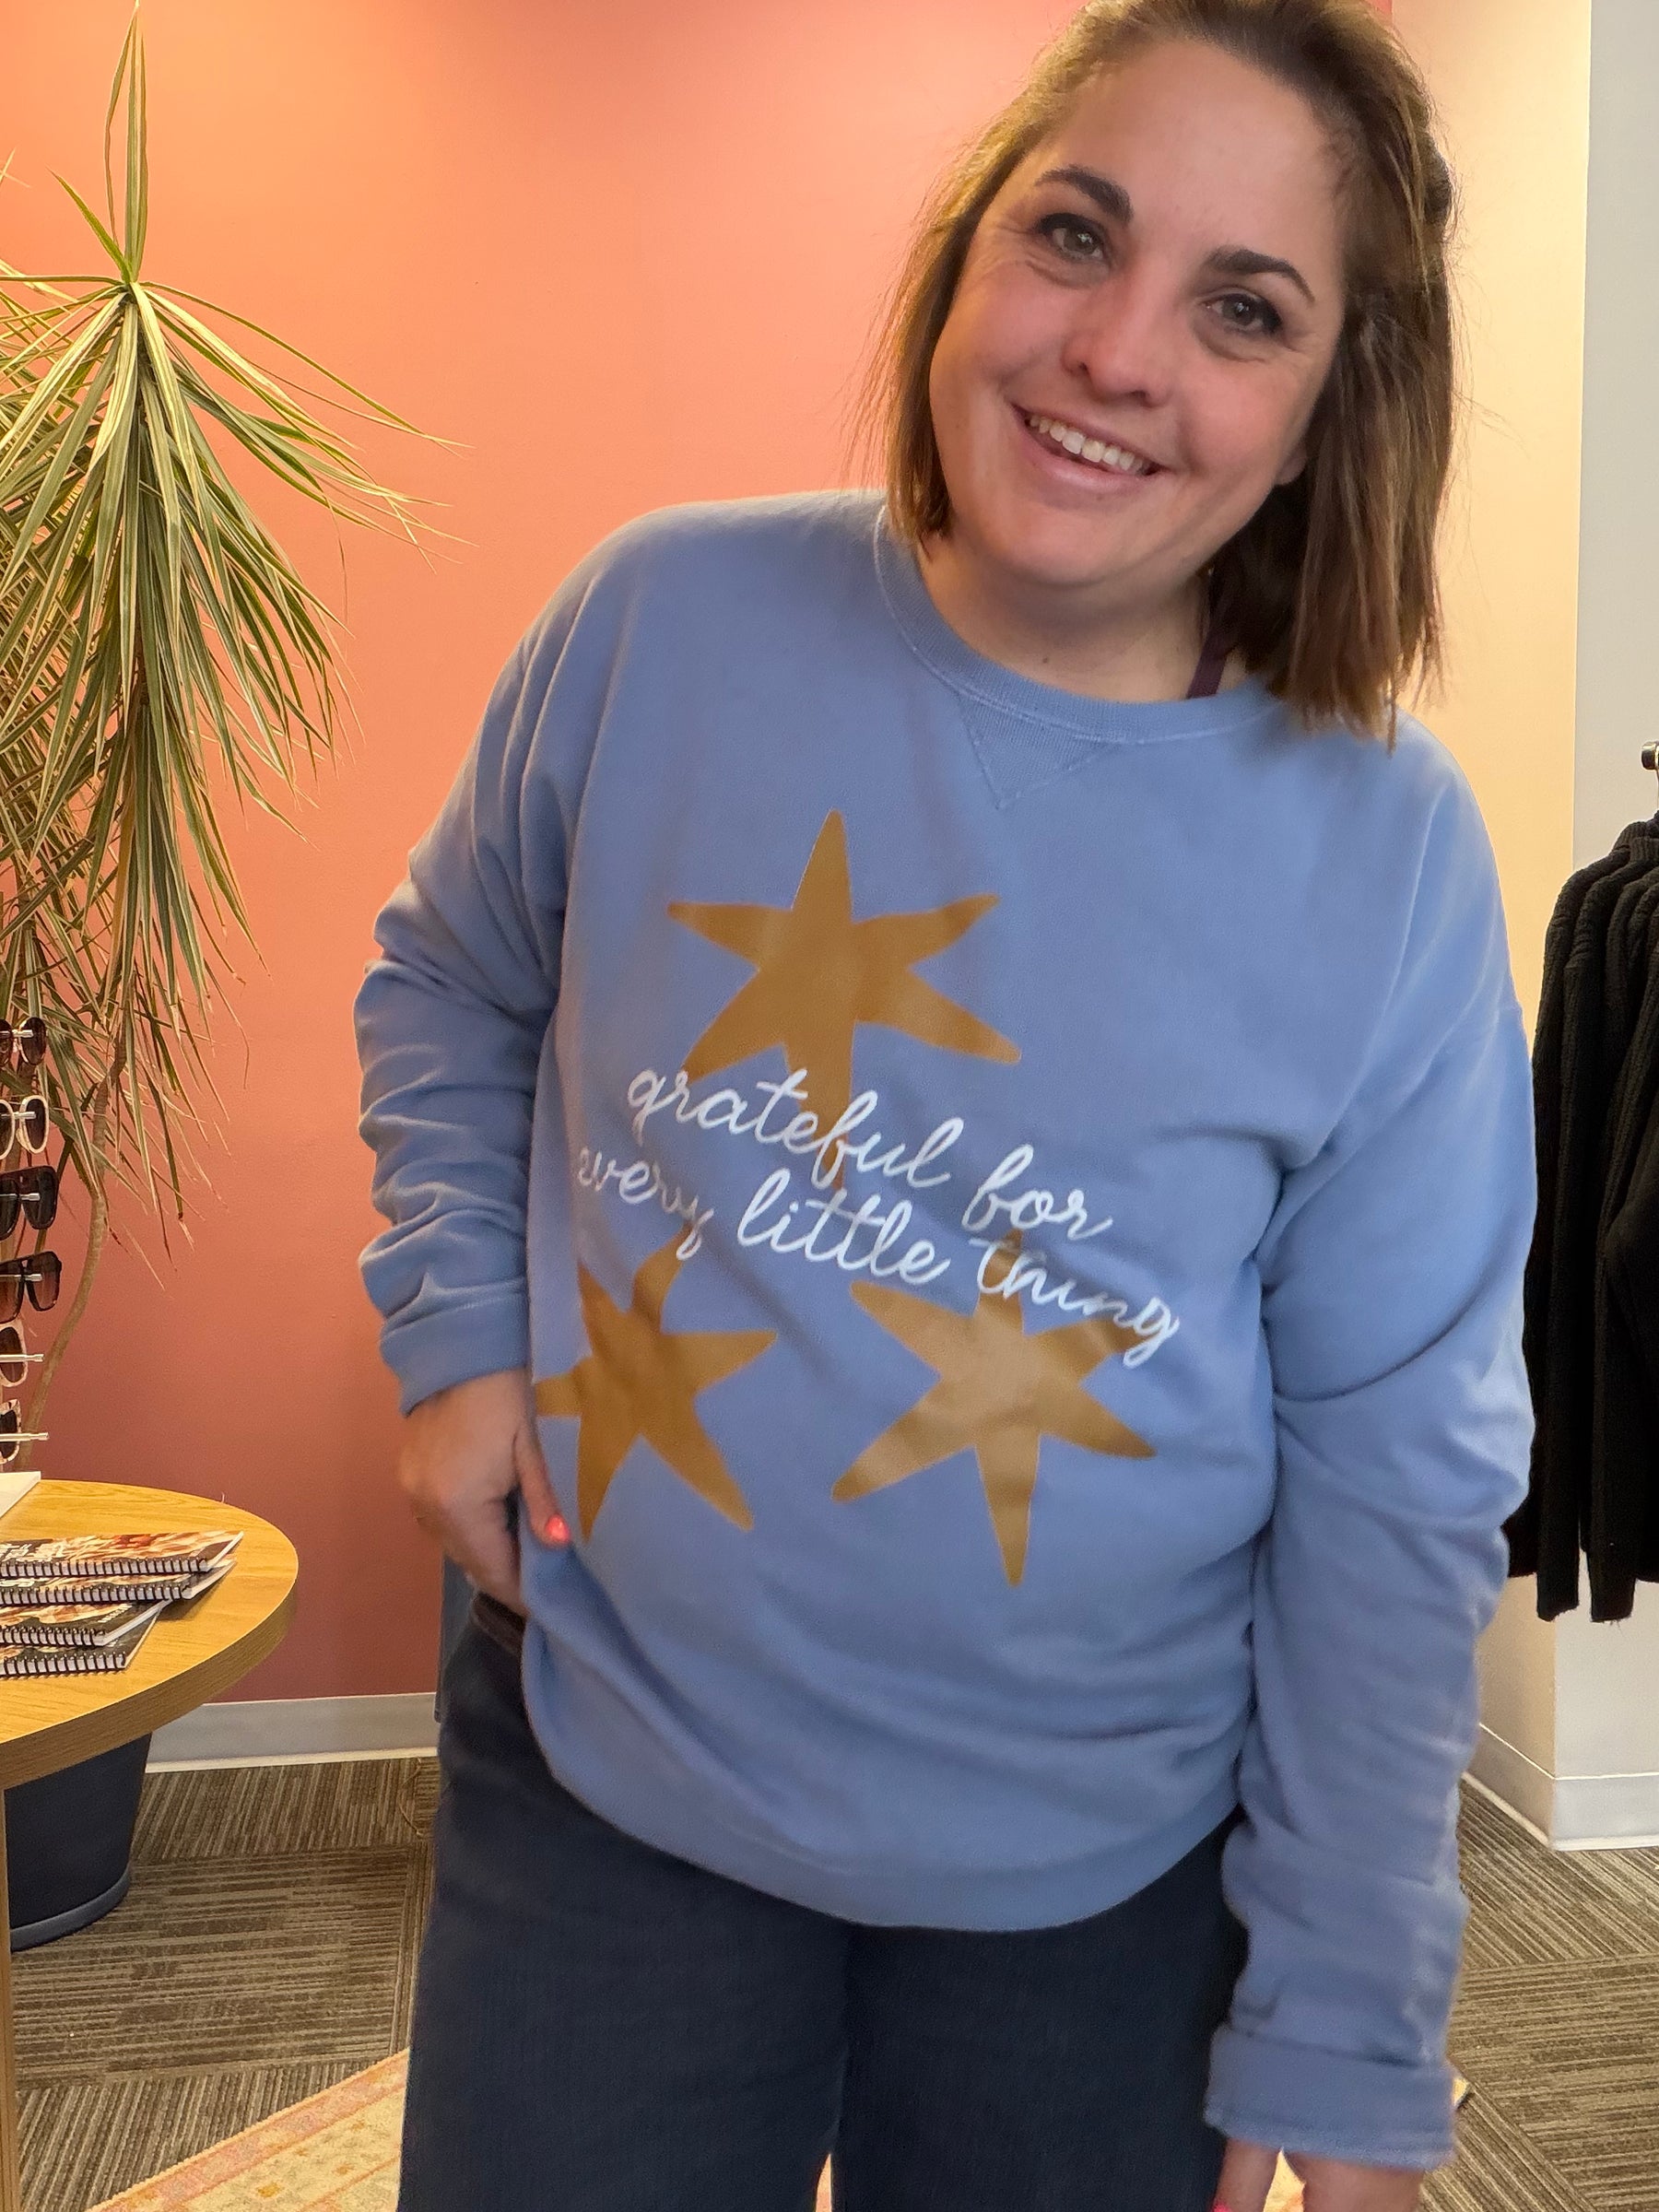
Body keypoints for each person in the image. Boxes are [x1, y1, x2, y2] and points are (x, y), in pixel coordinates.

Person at [353, 2, 1535, 2206]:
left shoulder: (1387, 856)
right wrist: (459, 1345)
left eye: (1244, 310)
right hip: (607, 1766)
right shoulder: (660, 619)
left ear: (1331, 410)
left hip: (1102, 1888)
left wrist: (1347, 2021)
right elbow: (452, 977)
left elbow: (1402, 1482)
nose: (1114, 351)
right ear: (966, 255)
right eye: (1073, 233)